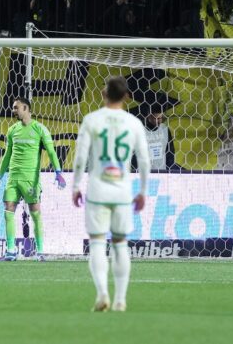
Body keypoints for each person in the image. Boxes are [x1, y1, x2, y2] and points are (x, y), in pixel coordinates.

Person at [72, 76, 151, 312]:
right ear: (126, 96)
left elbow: (80, 157)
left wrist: (76, 186)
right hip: (122, 191)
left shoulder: (91, 120)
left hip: (98, 189)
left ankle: (102, 294)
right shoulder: (134, 123)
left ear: (103, 94)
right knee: (120, 244)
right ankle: (120, 300)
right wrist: (143, 191)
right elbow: (144, 161)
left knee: (97, 243)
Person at [0, 97, 65, 261]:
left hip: (31, 179)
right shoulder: (12, 130)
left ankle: (40, 252)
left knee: (35, 214)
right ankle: (11, 252)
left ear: (25, 108)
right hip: (13, 178)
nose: (13, 110)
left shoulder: (40, 129)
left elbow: (51, 152)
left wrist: (58, 172)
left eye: (16, 107)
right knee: (8, 211)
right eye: (13, 107)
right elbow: (7, 155)